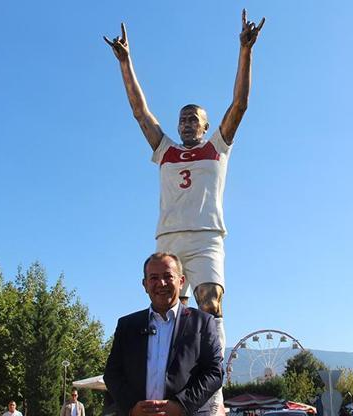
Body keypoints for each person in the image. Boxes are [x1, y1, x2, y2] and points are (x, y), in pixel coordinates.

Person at [103, 10, 265, 362]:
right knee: (169, 312)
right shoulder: (165, 151)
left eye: (194, 119)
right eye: (182, 119)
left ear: (206, 127)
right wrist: (125, 62)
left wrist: (245, 51)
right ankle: (171, 375)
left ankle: (213, 379)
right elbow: (139, 111)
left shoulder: (217, 148)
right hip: (169, 239)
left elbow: (240, 104)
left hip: (206, 237)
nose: (187, 123)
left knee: (210, 301)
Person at [104, 252, 224, 416]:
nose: (161, 283)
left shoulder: (203, 322)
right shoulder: (127, 326)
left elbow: (214, 372)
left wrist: (181, 405)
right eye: (153, 278)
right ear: (145, 284)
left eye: (168, 276)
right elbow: (112, 374)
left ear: (181, 281)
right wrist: (132, 408)